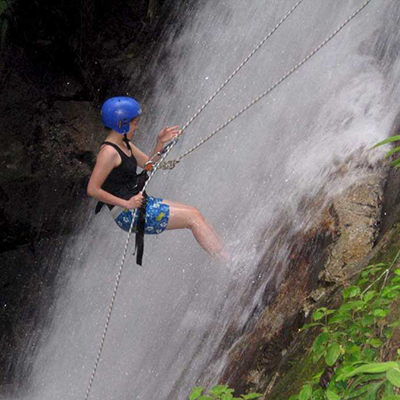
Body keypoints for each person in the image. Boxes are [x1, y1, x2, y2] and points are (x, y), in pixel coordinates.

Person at [87, 96, 226, 263]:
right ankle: (229, 262)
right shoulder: (108, 153)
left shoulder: (125, 145)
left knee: (195, 213)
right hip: (127, 213)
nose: (137, 127)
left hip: (140, 204)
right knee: (192, 219)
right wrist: (127, 203)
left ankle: (226, 252)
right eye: (134, 123)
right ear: (121, 124)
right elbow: (93, 189)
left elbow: (148, 165)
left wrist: (160, 142)